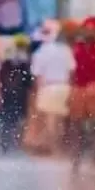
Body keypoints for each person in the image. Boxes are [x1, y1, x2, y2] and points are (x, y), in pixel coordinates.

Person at [68, 19, 95, 173]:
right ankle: (76, 159)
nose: (89, 32)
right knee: (76, 125)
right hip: (79, 88)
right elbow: (72, 71)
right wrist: (71, 90)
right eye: (86, 29)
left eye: (92, 30)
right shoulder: (76, 49)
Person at [30, 22, 76, 153]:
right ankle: (57, 148)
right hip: (64, 86)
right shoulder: (66, 50)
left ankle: (53, 148)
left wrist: (37, 92)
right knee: (59, 121)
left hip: (47, 87)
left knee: (49, 121)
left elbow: (37, 76)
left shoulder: (40, 53)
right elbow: (72, 71)